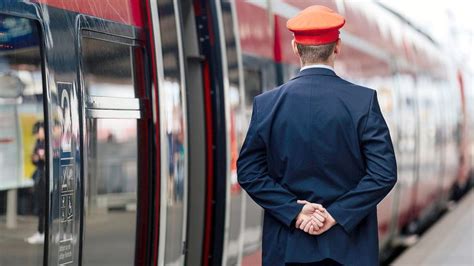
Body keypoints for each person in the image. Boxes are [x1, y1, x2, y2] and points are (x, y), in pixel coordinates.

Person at [237, 5, 397, 266]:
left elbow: (248, 172)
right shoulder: (363, 102)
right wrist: (335, 215)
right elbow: (384, 173)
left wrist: (295, 211)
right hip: (350, 249)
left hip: (286, 249)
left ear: (295, 48)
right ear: (337, 46)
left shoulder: (267, 105)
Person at [26, 121, 46, 244]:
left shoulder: (49, 142)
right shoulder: (38, 143)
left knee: (44, 207)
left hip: (46, 178)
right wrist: (35, 158)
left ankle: (42, 232)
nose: (36, 135)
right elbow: (34, 159)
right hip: (40, 177)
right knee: (40, 206)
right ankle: (41, 232)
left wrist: (41, 158)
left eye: (37, 132)